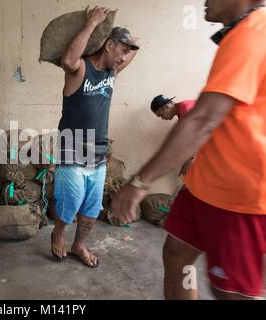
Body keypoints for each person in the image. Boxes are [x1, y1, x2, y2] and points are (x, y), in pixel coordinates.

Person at [112, 0, 266, 300]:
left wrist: (138, 184)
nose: (205, 1)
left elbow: (203, 121)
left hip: (238, 196)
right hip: (203, 187)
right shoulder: (238, 36)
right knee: (176, 256)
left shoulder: (253, 33)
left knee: (230, 291)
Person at [52, 6, 139, 268]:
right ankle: (58, 233)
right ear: (109, 45)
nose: (124, 57)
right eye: (121, 51)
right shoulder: (80, 69)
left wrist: (133, 44)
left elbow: (130, 55)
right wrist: (91, 24)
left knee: (91, 208)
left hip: (98, 152)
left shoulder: (111, 74)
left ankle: (79, 244)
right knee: (71, 201)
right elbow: (67, 61)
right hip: (72, 148)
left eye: (126, 53)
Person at [151, 95, 198, 176]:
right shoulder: (182, 111)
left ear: (166, 107)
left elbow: (196, 136)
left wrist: (190, 158)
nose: (162, 118)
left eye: (161, 115)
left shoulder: (185, 108)